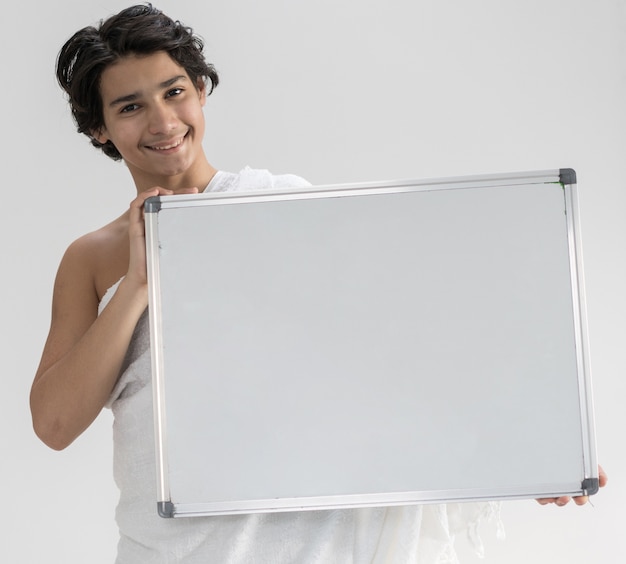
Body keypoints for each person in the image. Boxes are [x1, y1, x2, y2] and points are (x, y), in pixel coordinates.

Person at [30, 4, 606, 563]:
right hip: (172, 550)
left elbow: (403, 354)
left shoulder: (283, 206)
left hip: (318, 546)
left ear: (201, 91)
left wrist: (541, 449)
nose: (162, 121)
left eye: (174, 91)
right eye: (130, 106)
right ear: (99, 129)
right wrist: (138, 282)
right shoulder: (90, 259)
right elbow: (54, 425)